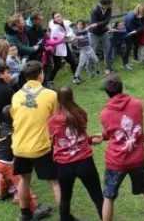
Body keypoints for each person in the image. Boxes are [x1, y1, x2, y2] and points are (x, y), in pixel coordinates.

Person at [99, 75, 144, 221]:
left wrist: (103, 135)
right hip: (137, 159)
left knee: (108, 196)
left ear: (107, 92)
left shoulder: (105, 114)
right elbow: (135, 128)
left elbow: (111, 132)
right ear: (121, 87)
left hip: (116, 161)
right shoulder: (137, 104)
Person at [11, 61, 60, 221]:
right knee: (55, 182)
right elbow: (55, 120)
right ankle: (66, 216)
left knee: (24, 179)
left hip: (19, 146)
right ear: (40, 75)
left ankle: (25, 215)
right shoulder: (51, 95)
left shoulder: (16, 96)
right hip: (41, 146)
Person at [48, 87, 104, 221]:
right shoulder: (80, 114)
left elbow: (56, 139)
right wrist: (89, 140)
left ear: (58, 99)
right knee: (97, 196)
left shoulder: (52, 120)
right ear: (72, 97)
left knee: (65, 198)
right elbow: (80, 133)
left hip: (63, 165)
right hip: (84, 161)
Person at [0, 106, 52, 220]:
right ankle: (35, 210)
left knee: (3, 176)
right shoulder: (14, 132)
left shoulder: (1, 126)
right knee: (22, 183)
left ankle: (3, 193)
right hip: (7, 162)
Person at [48, 12, 78, 84]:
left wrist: (68, 35)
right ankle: (49, 81)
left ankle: (76, 78)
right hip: (56, 48)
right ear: (54, 19)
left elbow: (69, 32)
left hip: (64, 45)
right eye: (56, 17)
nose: (58, 18)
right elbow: (62, 38)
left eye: (59, 16)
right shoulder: (54, 28)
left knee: (72, 62)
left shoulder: (65, 23)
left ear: (62, 16)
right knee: (57, 65)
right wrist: (68, 36)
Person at [89, 0, 114, 75]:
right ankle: (90, 68)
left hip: (104, 32)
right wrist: (98, 24)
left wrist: (97, 24)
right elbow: (94, 25)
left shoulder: (109, 9)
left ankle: (107, 68)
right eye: (109, 4)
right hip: (94, 34)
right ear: (104, 4)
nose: (110, 6)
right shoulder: (94, 10)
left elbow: (107, 21)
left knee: (107, 50)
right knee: (92, 51)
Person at [73, 19, 100, 84]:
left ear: (83, 25)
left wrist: (87, 28)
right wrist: (77, 38)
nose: (80, 25)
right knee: (80, 65)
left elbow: (84, 34)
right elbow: (74, 35)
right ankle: (75, 78)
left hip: (89, 50)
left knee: (96, 61)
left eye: (81, 24)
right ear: (77, 25)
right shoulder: (76, 32)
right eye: (78, 24)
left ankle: (97, 72)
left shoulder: (85, 31)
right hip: (83, 51)